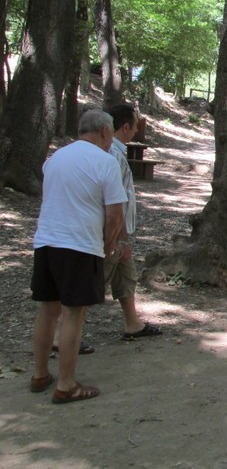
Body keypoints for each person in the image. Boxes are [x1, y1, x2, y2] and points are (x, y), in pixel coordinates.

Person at [30, 110, 128, 403]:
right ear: (104, 132)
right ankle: (67, 384)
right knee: (73, 313)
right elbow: (115, 215)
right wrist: (108, 245)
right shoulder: (106, 162)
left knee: (47, 310)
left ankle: (39, 374)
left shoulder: (54, 159)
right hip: (79, 245)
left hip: (46, 242)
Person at [106, 104, 163, 340]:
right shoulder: (111, 155)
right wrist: (118, 239)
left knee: (127, 275)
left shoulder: (117, 152)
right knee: (93, 281)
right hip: (111, 234)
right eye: (136, 122)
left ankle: (133, 323)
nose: (138, 126)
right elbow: (113, 204)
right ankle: (62, 333)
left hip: (120, 232)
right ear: (126, 126)